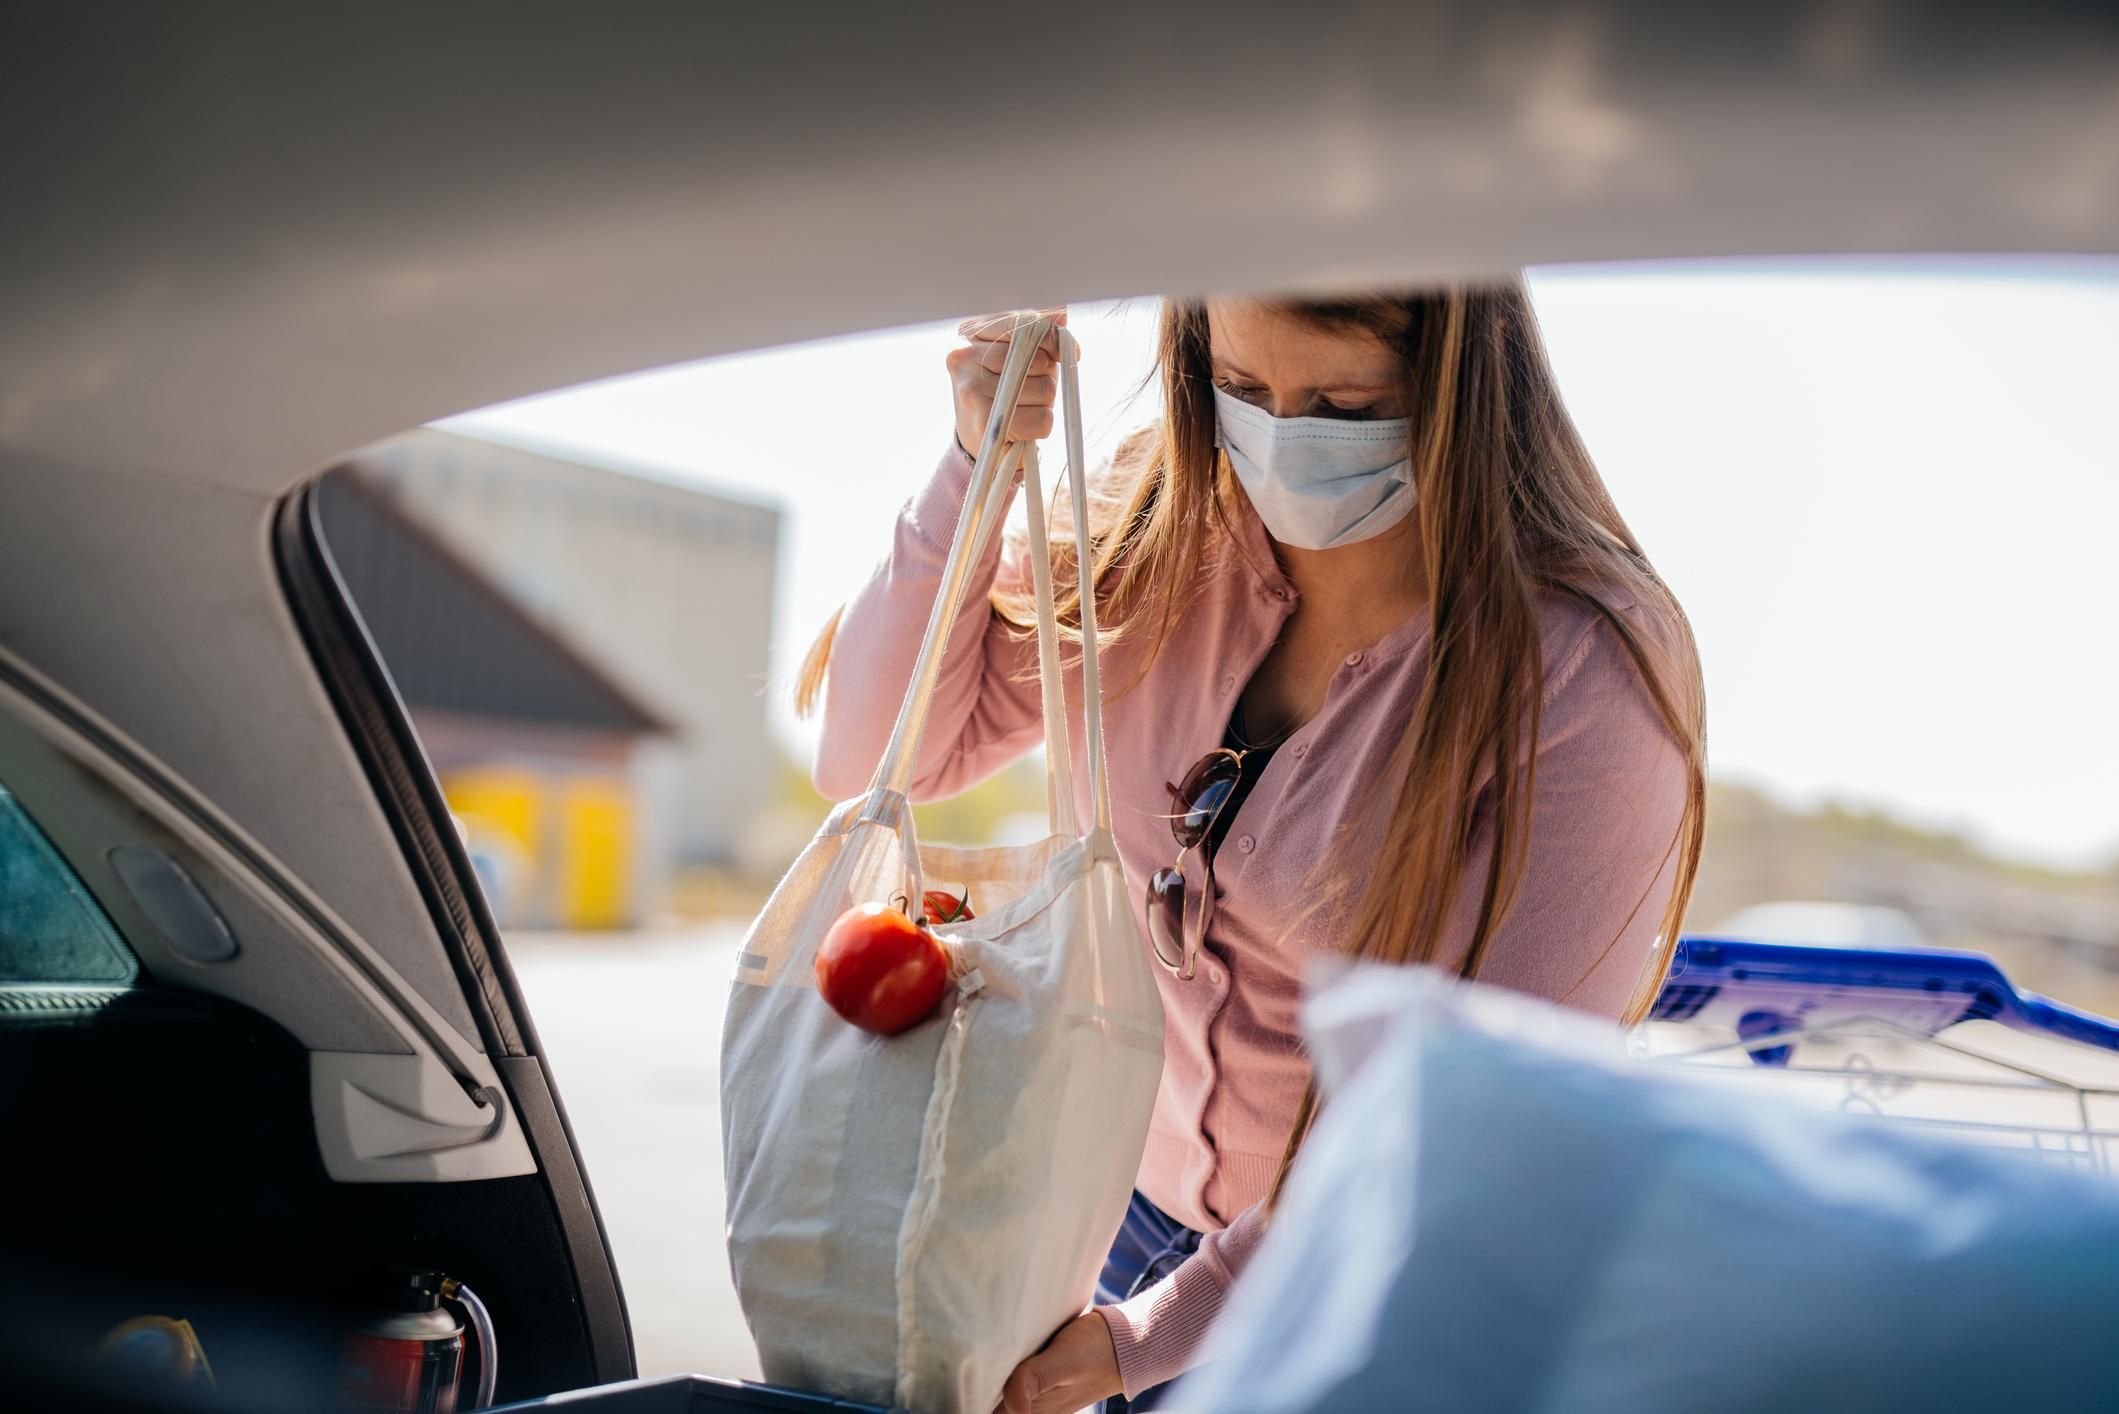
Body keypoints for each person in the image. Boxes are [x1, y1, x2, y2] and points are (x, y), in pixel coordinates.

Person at [798, 287, 1706, 1413]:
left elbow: (1472, 1120)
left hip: (1376, 1286)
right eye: (1240, 390)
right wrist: (975, 469)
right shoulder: (1156, 525)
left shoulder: (1582, 666)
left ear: (1462, 388)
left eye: (1342, 403)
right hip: (1115, 1219)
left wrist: (1151, 1336)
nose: (1280, 439)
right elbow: (873, 753)